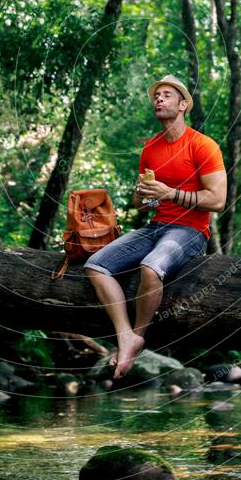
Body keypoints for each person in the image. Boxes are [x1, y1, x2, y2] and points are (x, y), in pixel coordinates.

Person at [84, 74, 227, 379]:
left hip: (189, 231)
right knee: (96, 266)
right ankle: (125, 335)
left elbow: (217, 200)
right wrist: (142, 195)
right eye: (156, 96)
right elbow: (143, 205)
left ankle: (139, 334)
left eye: (167, 95)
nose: (159, 99)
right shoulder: (151, 148)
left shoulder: (203, 146)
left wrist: (172, 193)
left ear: (183, 105)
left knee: (150, 269)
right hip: (155, 226)